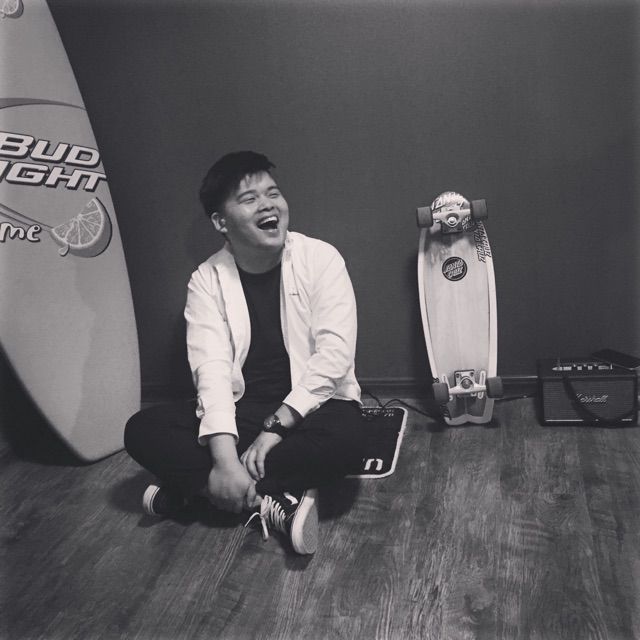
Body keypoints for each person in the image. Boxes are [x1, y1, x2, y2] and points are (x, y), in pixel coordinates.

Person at [125, 150, 366, 555]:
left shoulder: (320, 258)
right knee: (142, 430)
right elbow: (211, 371)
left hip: (312, 407)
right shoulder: (206, 280)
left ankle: (196, 492)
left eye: (273, 193)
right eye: (250, 199)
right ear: (221, 222)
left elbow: (334, 358)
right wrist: (223, 459)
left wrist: (275, 430)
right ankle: (272, 496)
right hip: (245, 408)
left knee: (348, 443)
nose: (269, 205)